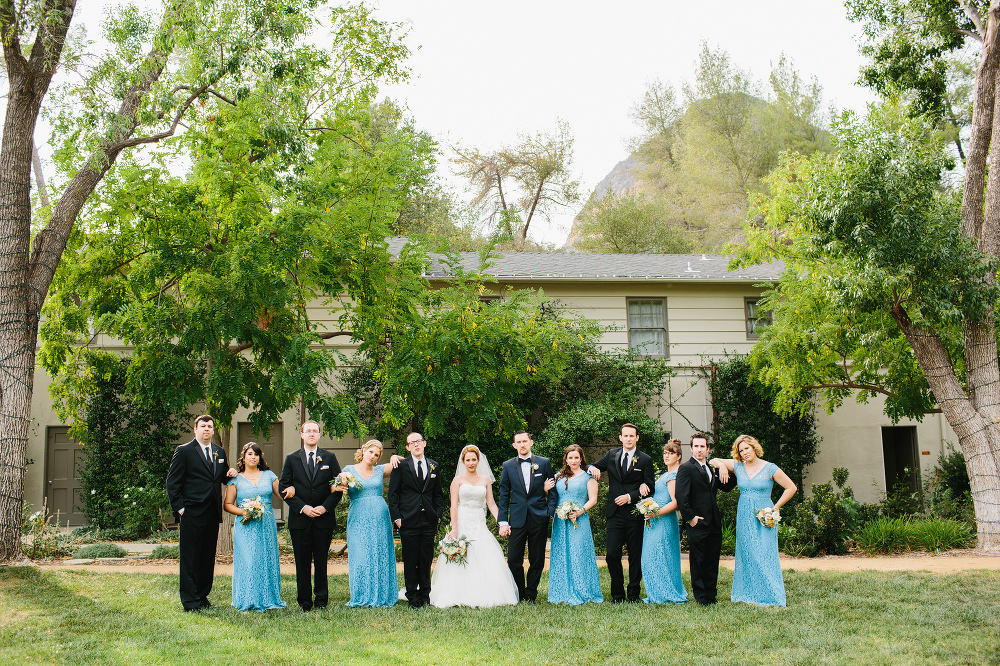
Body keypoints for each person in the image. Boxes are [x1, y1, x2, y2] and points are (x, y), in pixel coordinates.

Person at [711, 434, 797, 606]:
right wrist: (722, 466)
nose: (744, 453)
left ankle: (772, 594)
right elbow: (713, 459)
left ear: (754, 447)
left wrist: (775, 507)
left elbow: (791, 487)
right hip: (744, 515)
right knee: (747, 554)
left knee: (765, 554)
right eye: (740, 450)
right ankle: (749, 594)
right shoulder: (738, 466)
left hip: (764, 515)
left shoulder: (770, 468)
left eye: (746, 448)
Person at [430, 445, 519, 608]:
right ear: (463, 462)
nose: (471, 463)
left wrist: (502, 522)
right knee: (463, 554)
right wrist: (455, 529)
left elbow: (491, 503)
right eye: (468, 460)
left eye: (473, 460)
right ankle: (456, 593)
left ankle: (490, 593)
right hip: (462, 521)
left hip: (479, 522)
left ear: (478, 461)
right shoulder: (457, 480)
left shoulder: (485, 480)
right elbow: (454, 506)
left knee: (483, 553)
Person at [165, 415, 236, 612]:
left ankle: (202, 596)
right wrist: (180, 509)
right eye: (203, 426)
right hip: (191, 513)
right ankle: (190, 601)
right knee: (190, 558)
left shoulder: (218, 451)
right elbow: (172, 483)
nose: (207, 429)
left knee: (207, 557)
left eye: (210, 426)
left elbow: (220, 477)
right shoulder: (184, 451)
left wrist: (230, 473)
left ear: (213, 431)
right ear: (195, 429)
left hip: (212, 513)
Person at [278, 420, 342, 611]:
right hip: (300, 520)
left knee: (321, 561)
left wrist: (325, 508)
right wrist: (303, 507)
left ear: (320, 434)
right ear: (302, 434)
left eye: (315, 431)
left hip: (323, 519)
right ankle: (305, 601)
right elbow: (283, 487)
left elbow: (338, 487)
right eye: (308, 431)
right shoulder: (291, 458)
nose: (312, 434)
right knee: (302, 562)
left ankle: (321, 600)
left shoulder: (329, 458)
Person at [587, 423, 654, 603]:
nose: (628, 439)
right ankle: (617, 594)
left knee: (635, 555)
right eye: (625, 436)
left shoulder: (645, 459)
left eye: (632, 436)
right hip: (614, 514)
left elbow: (650, 488)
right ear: (620, 437)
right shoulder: (611, 455)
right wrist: (591, 468)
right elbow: (593, 466)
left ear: (637, 438)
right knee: (612, 555)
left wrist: (630, 496)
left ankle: (633, 593)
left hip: (634, 514)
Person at [333, 439, 399, 607]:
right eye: (371, 452)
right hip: (358, 516)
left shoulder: (380, 470)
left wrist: (395, 457)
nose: (373, 456)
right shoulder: (348, 470)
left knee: (380, 552)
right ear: (363, 451)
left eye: (377, 455)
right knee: (361, 554)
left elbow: (407, 463)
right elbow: (335, 487)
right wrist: (338, 483)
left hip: (380, 516)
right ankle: (362, 594)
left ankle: (382, 593)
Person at [223, 442, 287, 612]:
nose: (253, 457)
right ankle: (248, 599)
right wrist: (242, 511)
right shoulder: (235, 479)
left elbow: (282, 495)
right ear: (243, 457)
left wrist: (293, 489)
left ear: (260, 458)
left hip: (266, 523)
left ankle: (268, 598)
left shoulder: (269, 475)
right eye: (250, 454)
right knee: (249, 560)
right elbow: (228, 504)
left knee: (266, 559)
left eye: (256, 454)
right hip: (245, 526)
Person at [675, 432, 736, 605]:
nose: (699, 450)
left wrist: (728, 467)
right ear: (691, 448)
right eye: (696, 446)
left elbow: (727, 486)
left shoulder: (711, 468)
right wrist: (691, 518)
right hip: (697, 522)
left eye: (703, 446)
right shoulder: (686, 468)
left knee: (712, 560)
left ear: (708, 449)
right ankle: (701, 596)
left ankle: (711, 594)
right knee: (698, 561)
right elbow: (681, 497)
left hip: (714, 522)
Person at [497, 431, 558, 603]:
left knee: (537, 558)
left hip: (539, 517)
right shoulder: (508, 466)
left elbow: (552, 491)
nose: (522, 444)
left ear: (531, 442)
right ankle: (519, 592)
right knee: (514, 559)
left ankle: (531, 594)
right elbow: (504, 495)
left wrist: (549, 512)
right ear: (514, 445)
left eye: (525, 441)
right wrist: (503, 521)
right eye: (519, 442)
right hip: (517, 518)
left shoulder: (544, 463)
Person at [387, 432, 445, 608]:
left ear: (424, 443)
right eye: (411, 443)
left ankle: (425, 595)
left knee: (426, 559)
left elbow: (438, 494)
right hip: (407, 520)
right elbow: (393, 494)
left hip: (428, 519)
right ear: (407, 447)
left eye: (418, 441)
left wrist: (438, 515)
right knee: (411, 559)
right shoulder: (401, 465)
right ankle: (412, 596)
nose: (416, 445)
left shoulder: (434, 465)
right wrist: (397, 518)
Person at [544, 444, 602, 605]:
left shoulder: (588, 477)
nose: (574, 460)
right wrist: (545, 489)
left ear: (581, 459)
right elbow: (551, 496)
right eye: (570, 458)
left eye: (577, 457)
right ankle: (561, 591)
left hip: (579, 520)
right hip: (561, 521)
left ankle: (582, 590)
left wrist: (579, 511)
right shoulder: (558, 476)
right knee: (562, 554)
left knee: (579, 554)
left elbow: (593, 499)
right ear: (566, 459)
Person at [641, 439, 687, 604]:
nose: (666, 456)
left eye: (671, 453)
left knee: (658, 557)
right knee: (655, 557)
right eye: (665, 453)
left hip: (663, 521)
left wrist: (655, 513)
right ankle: (658, 593)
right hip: (655, 521)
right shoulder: (666, 474)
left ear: (679, 456)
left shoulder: (674, 476)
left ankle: (665, 593)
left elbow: (675, 503)